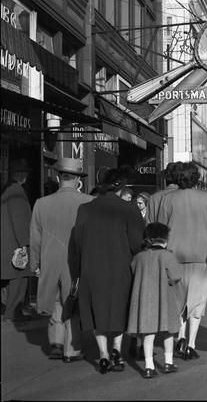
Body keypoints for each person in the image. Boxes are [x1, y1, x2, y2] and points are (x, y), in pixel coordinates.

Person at [71, 167, 145, 374]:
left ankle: (102, 354)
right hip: (121, 267)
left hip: (91, 267)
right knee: (119, 310)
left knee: (97, 311)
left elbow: (77, 241)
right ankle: (116, 351)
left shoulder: (85, 209)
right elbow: (137, 243)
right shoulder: (129, 209)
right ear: (121, 187)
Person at [157, 162, 207, 360]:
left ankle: (179, 337)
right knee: (196, 303)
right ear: (196, 179)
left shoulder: (167, 199)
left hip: (173, 256)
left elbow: (159, 230)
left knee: (177, 302)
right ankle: (191, 343)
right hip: (201, 258)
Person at [29, 158, 93, 361]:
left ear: (58, 178)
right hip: (76, 261)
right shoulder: (88, 203)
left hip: (49, 260)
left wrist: (35, 264)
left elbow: (35, 238)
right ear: (77, 180)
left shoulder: (41, 203)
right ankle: (71, 349)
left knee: (56, 301)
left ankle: (56, 342)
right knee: (73, 301)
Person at [127, 222, 182, 379]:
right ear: (165, 239)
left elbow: (132, 271)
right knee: (168, 331)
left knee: (148, 334)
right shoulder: (168, 255)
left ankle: (149, 366)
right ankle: (168, 362)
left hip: (145, 300)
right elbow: (176, 276)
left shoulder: (139, 257)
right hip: (166, 299)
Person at [1, 159, 35, 323]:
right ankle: (12, 312)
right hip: (13, 244)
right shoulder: (17, 192)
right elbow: (20, 221)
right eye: (26, 173)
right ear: (22, 175)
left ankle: (7, 308)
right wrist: (25, 244)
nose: (27, 176)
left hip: (5, 243)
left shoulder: (6, 190)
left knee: (7, 280)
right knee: (19, 278)